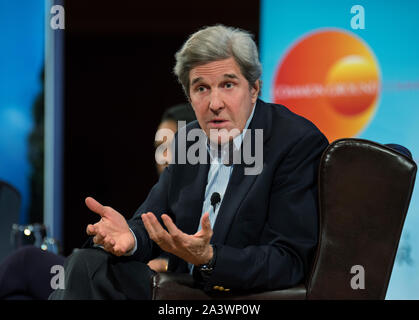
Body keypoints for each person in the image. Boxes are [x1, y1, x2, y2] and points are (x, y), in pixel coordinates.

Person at [50, 24, 329, 300]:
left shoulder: (294, 142)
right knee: (86, 263)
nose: (215, 102)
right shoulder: (188, 139)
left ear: (254, 89)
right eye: (202, 88)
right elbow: (153, 220)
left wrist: (209, 258)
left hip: (240, 295)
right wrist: (131, 237)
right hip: (183, 288)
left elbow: (289, 261)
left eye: (228, 85)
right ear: (189, 95)